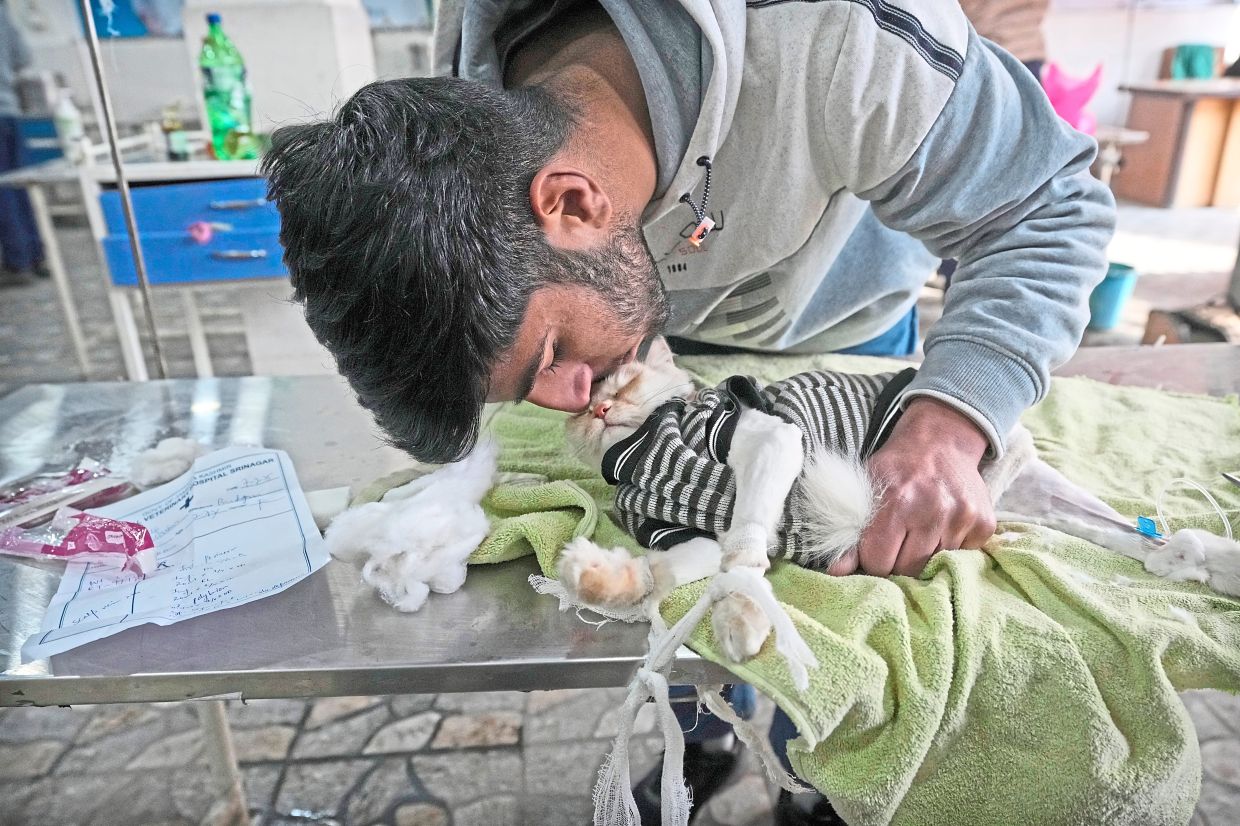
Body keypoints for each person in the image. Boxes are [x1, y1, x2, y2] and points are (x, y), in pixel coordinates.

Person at [262, 1, 1115, 821]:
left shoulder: (847, 37)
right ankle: (705, 738)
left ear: (572, 202)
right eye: (526, 389)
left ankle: (813, 770)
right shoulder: (469, 124)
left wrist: (949, 423)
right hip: (660, 342)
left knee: (836, 583)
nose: (567, 402)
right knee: (670, 542)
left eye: (551, 357)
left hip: (842, 335)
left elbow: (1047, 206)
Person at [0, 1, 44, 287]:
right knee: (20, 186)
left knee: (4, 192)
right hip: (9, 110)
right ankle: (35, 255)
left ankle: (19, 263)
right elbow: (22, 56)